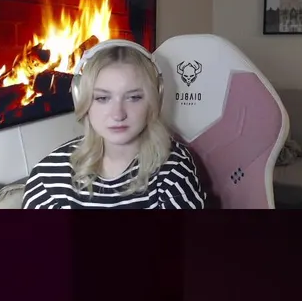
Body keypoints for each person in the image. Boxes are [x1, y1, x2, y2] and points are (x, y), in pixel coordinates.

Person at [22, 40, 206, 209]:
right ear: (82, 101)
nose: (118, 114)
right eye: (102, 98)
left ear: (154, 100)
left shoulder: (174, 168)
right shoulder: (47, 179)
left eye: (134, 97)